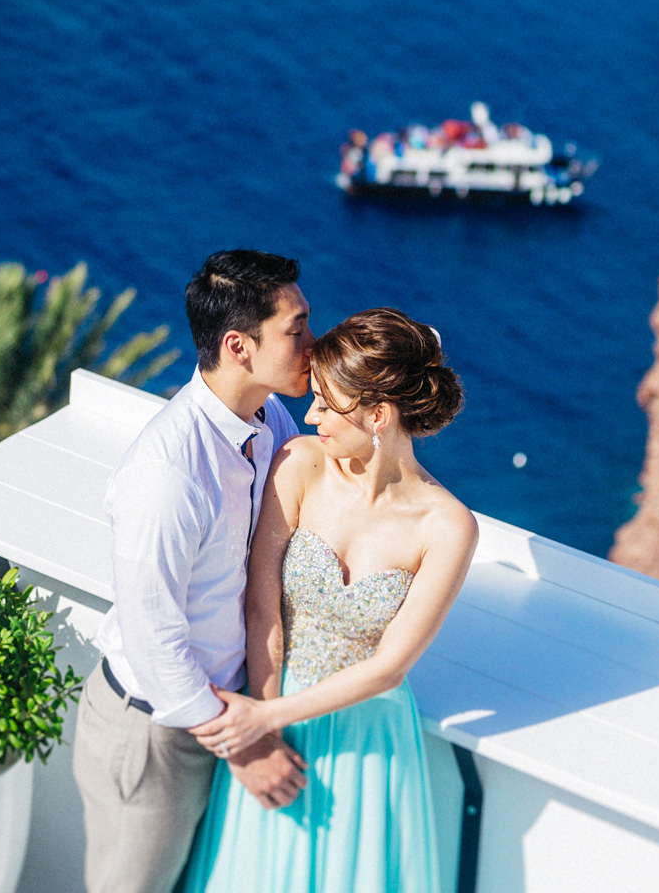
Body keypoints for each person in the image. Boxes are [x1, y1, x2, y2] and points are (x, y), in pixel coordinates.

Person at [179, 309, 477, 893]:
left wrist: (265, 719)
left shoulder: (448, 527)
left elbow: (391, 667)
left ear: (378, 415)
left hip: (367, 745)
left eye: (325, 403)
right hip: (273, 710)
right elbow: (262, 610)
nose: (309, 415)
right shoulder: (301, 466)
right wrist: (264, 734)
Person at [72, 250, 316, 893]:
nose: (313, 346)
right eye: (297, 330)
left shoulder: (268, 421)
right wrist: (245, 745)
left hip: (212, 716)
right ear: (239, 346)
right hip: (153, 732)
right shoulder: (169, 473)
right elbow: (155, 640)